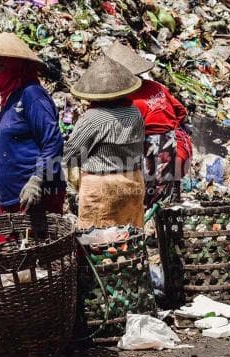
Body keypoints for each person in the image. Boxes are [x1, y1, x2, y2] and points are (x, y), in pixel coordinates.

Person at [0, 32, 65, 215]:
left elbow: (53, 141)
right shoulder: (10, 100)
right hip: (12, 199)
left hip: (36, 197)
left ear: (16, 66)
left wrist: (37, 180)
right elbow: (2, 156)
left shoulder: (32, 95)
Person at [103, 43, 193, 207]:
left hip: (155, 148)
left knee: (147, 197)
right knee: (165, 193)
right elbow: (181, 112)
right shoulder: (156, 86)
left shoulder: (128, 100)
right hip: (176, 142)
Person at [63, 55, 145, 229]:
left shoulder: (93, 118)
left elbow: (71, 152)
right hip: (133, 181)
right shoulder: (135, 112)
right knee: (130, 237)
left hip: (102, 187)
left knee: (98, 241)